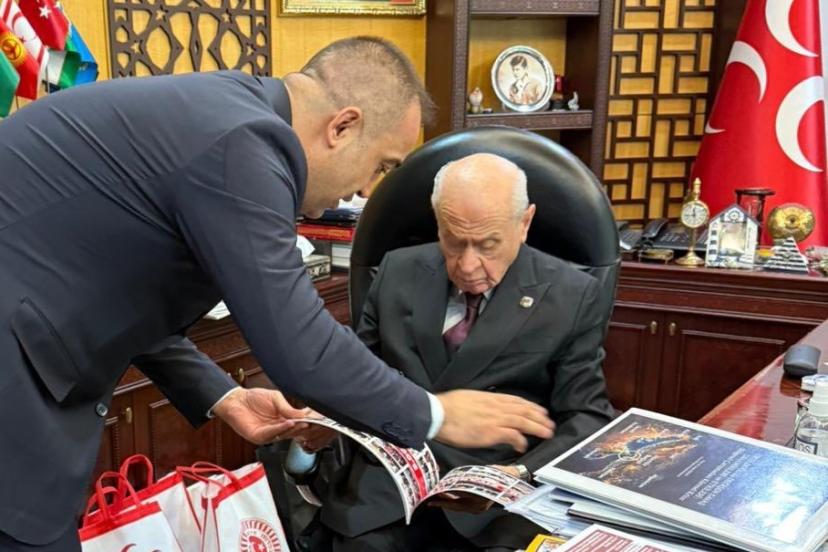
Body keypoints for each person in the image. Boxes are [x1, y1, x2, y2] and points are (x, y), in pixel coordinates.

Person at [0, 38, 554, 550]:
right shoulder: (246, 143)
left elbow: (128, 293)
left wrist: (225, 396)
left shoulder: (229, 113)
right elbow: (300, 348)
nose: (365, 190)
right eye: (381, 165)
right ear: (343, 126)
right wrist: (435, 414)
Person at [310, 153, 616, 552]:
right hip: (387, 494)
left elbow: (587, 415)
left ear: (524, 223)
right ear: (438, 222)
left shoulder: (571, 294)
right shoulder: (396, 269)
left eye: (488, 245)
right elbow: (356, 376)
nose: (468, 265)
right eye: (454, 242)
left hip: (496, 504)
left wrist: (518, 474)